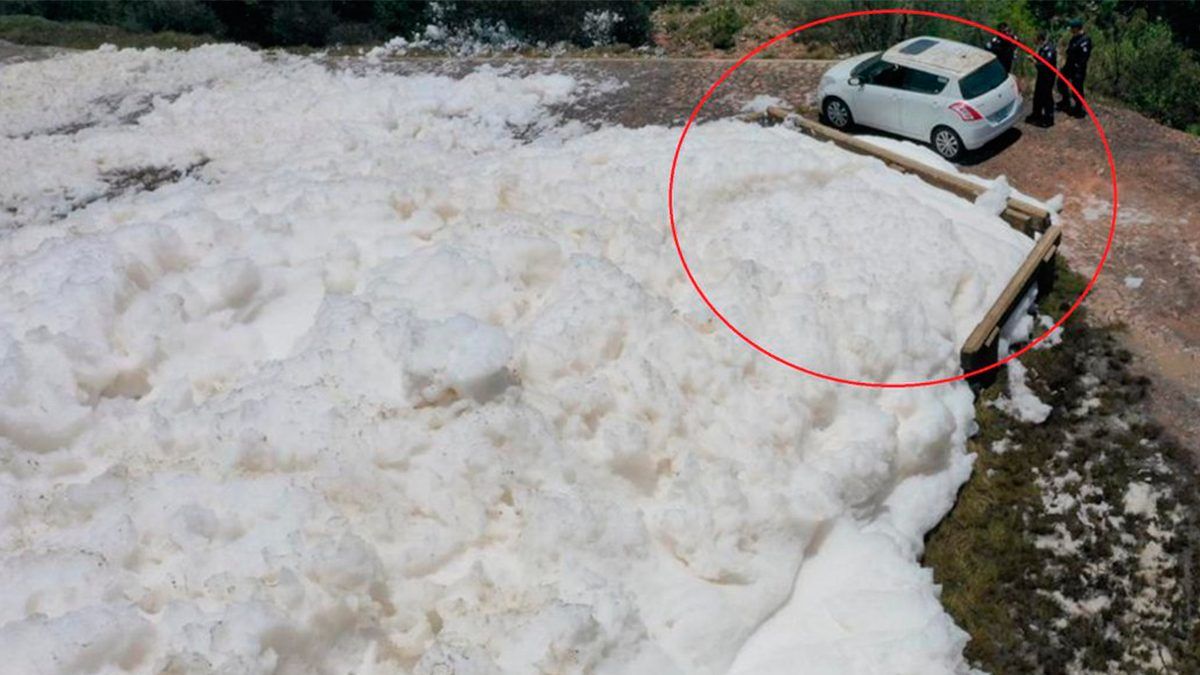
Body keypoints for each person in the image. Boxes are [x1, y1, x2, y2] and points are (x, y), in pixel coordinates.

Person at [1057, 18, 1092, 118]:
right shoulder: (1074, 38)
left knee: (1077, 89)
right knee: (1061, 82)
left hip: (1078, 69)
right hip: (1069, 66)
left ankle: (1079, 108)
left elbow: (1084, 57)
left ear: (1077, 28)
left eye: (1072, 28)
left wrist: (1078, 68)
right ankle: (1065, 101)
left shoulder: (1085, 40)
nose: (1071, 30)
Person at [1025, 30, 1058, 127]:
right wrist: (1033, 56)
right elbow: (1040, 58)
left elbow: (1046, 65)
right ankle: (1036, 114)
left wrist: (1033, 62)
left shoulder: (1050, 49)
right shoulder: (1042, 48)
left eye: (1035, 39)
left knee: (1046, 96)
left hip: (1048, 76)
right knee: (1038, 95)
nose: (1034, 40)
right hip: (1041, 75)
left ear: (1040, 39)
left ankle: (1049, 118)